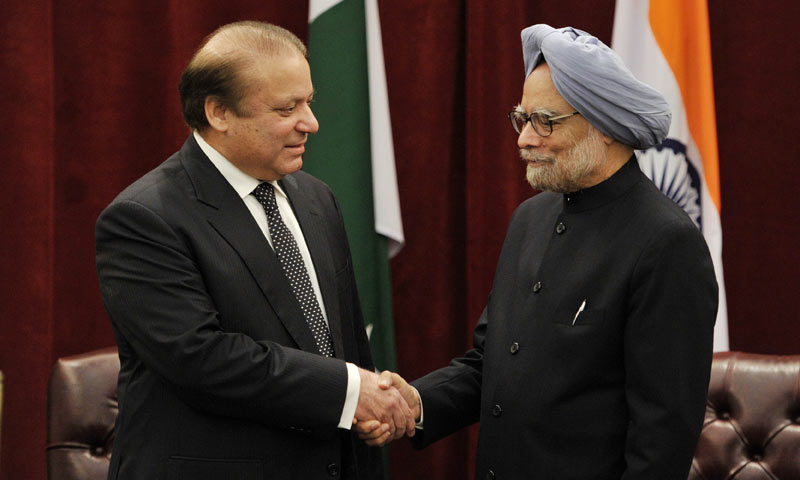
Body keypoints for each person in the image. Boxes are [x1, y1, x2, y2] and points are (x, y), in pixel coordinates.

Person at [358, 24, 718, 479]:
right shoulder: (529, 220)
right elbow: (493, 365)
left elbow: (661, 442)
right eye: (521, 118)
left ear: (603, 125)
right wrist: (417, 401)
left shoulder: (667, 242)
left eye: (544, 121)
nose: (524, 139)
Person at [95, 21, 415, 480]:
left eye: (309, 101)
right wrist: (350, 391)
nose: (311, 123)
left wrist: (371, 404)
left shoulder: (316, 197)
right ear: (219, 113)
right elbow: (201, 360)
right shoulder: (143, 218)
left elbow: (341, 340)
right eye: (288, 108)